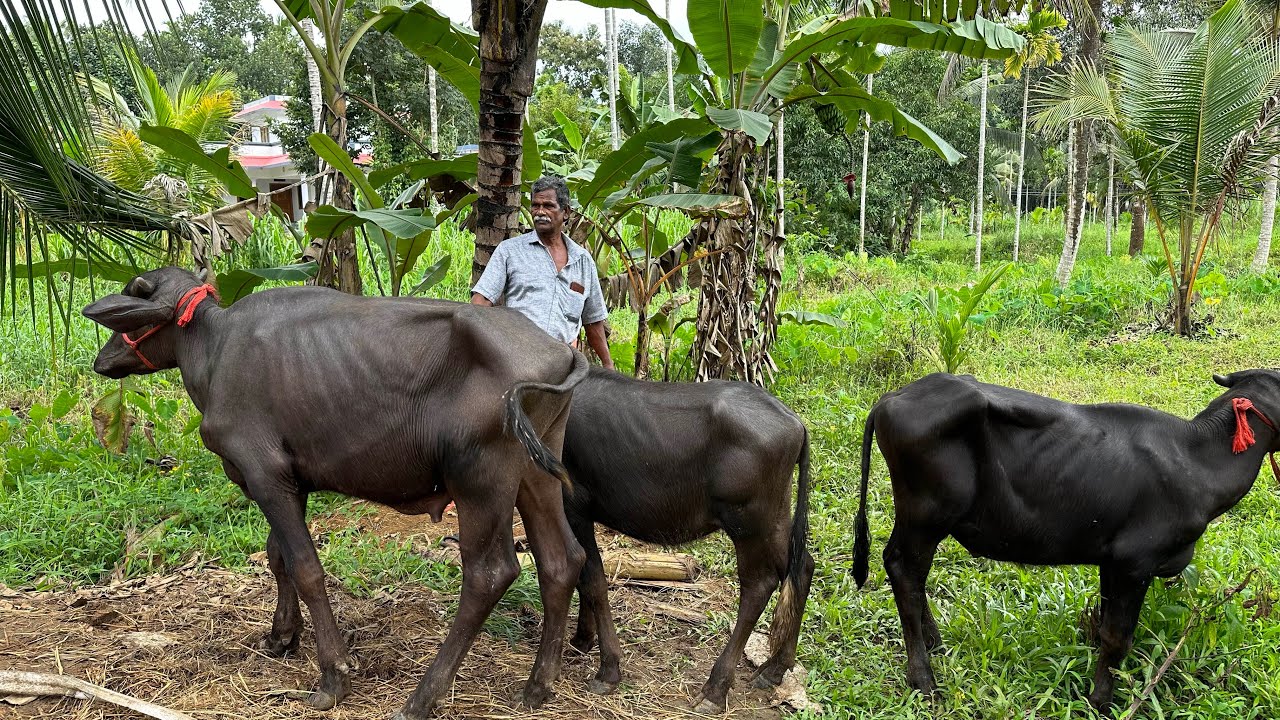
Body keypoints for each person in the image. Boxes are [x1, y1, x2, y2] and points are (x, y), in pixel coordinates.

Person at [471, 176, 615, 369]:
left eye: (548, 206)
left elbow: (593, 321)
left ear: (566, 212)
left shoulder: (582, 261)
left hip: (563, 366)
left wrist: (608, 366)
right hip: (516, 361)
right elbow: (481, 302)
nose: (539, 212)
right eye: (535, 205)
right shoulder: (510, 251)